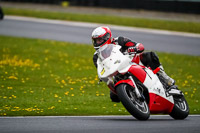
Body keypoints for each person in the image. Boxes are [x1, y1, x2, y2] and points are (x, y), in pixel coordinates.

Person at [92, 26, 175, 102]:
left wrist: (134, 48)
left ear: (107, 37)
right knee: (114, 97)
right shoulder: (96, 56)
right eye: (96, 41)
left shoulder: (120, 40)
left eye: (100, 40)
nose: (98, 43)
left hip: (133, 63)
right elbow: (101, 69)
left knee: (150, 56)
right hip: (117, 74)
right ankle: (134, 100)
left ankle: (165, 78)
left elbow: (139, 46)